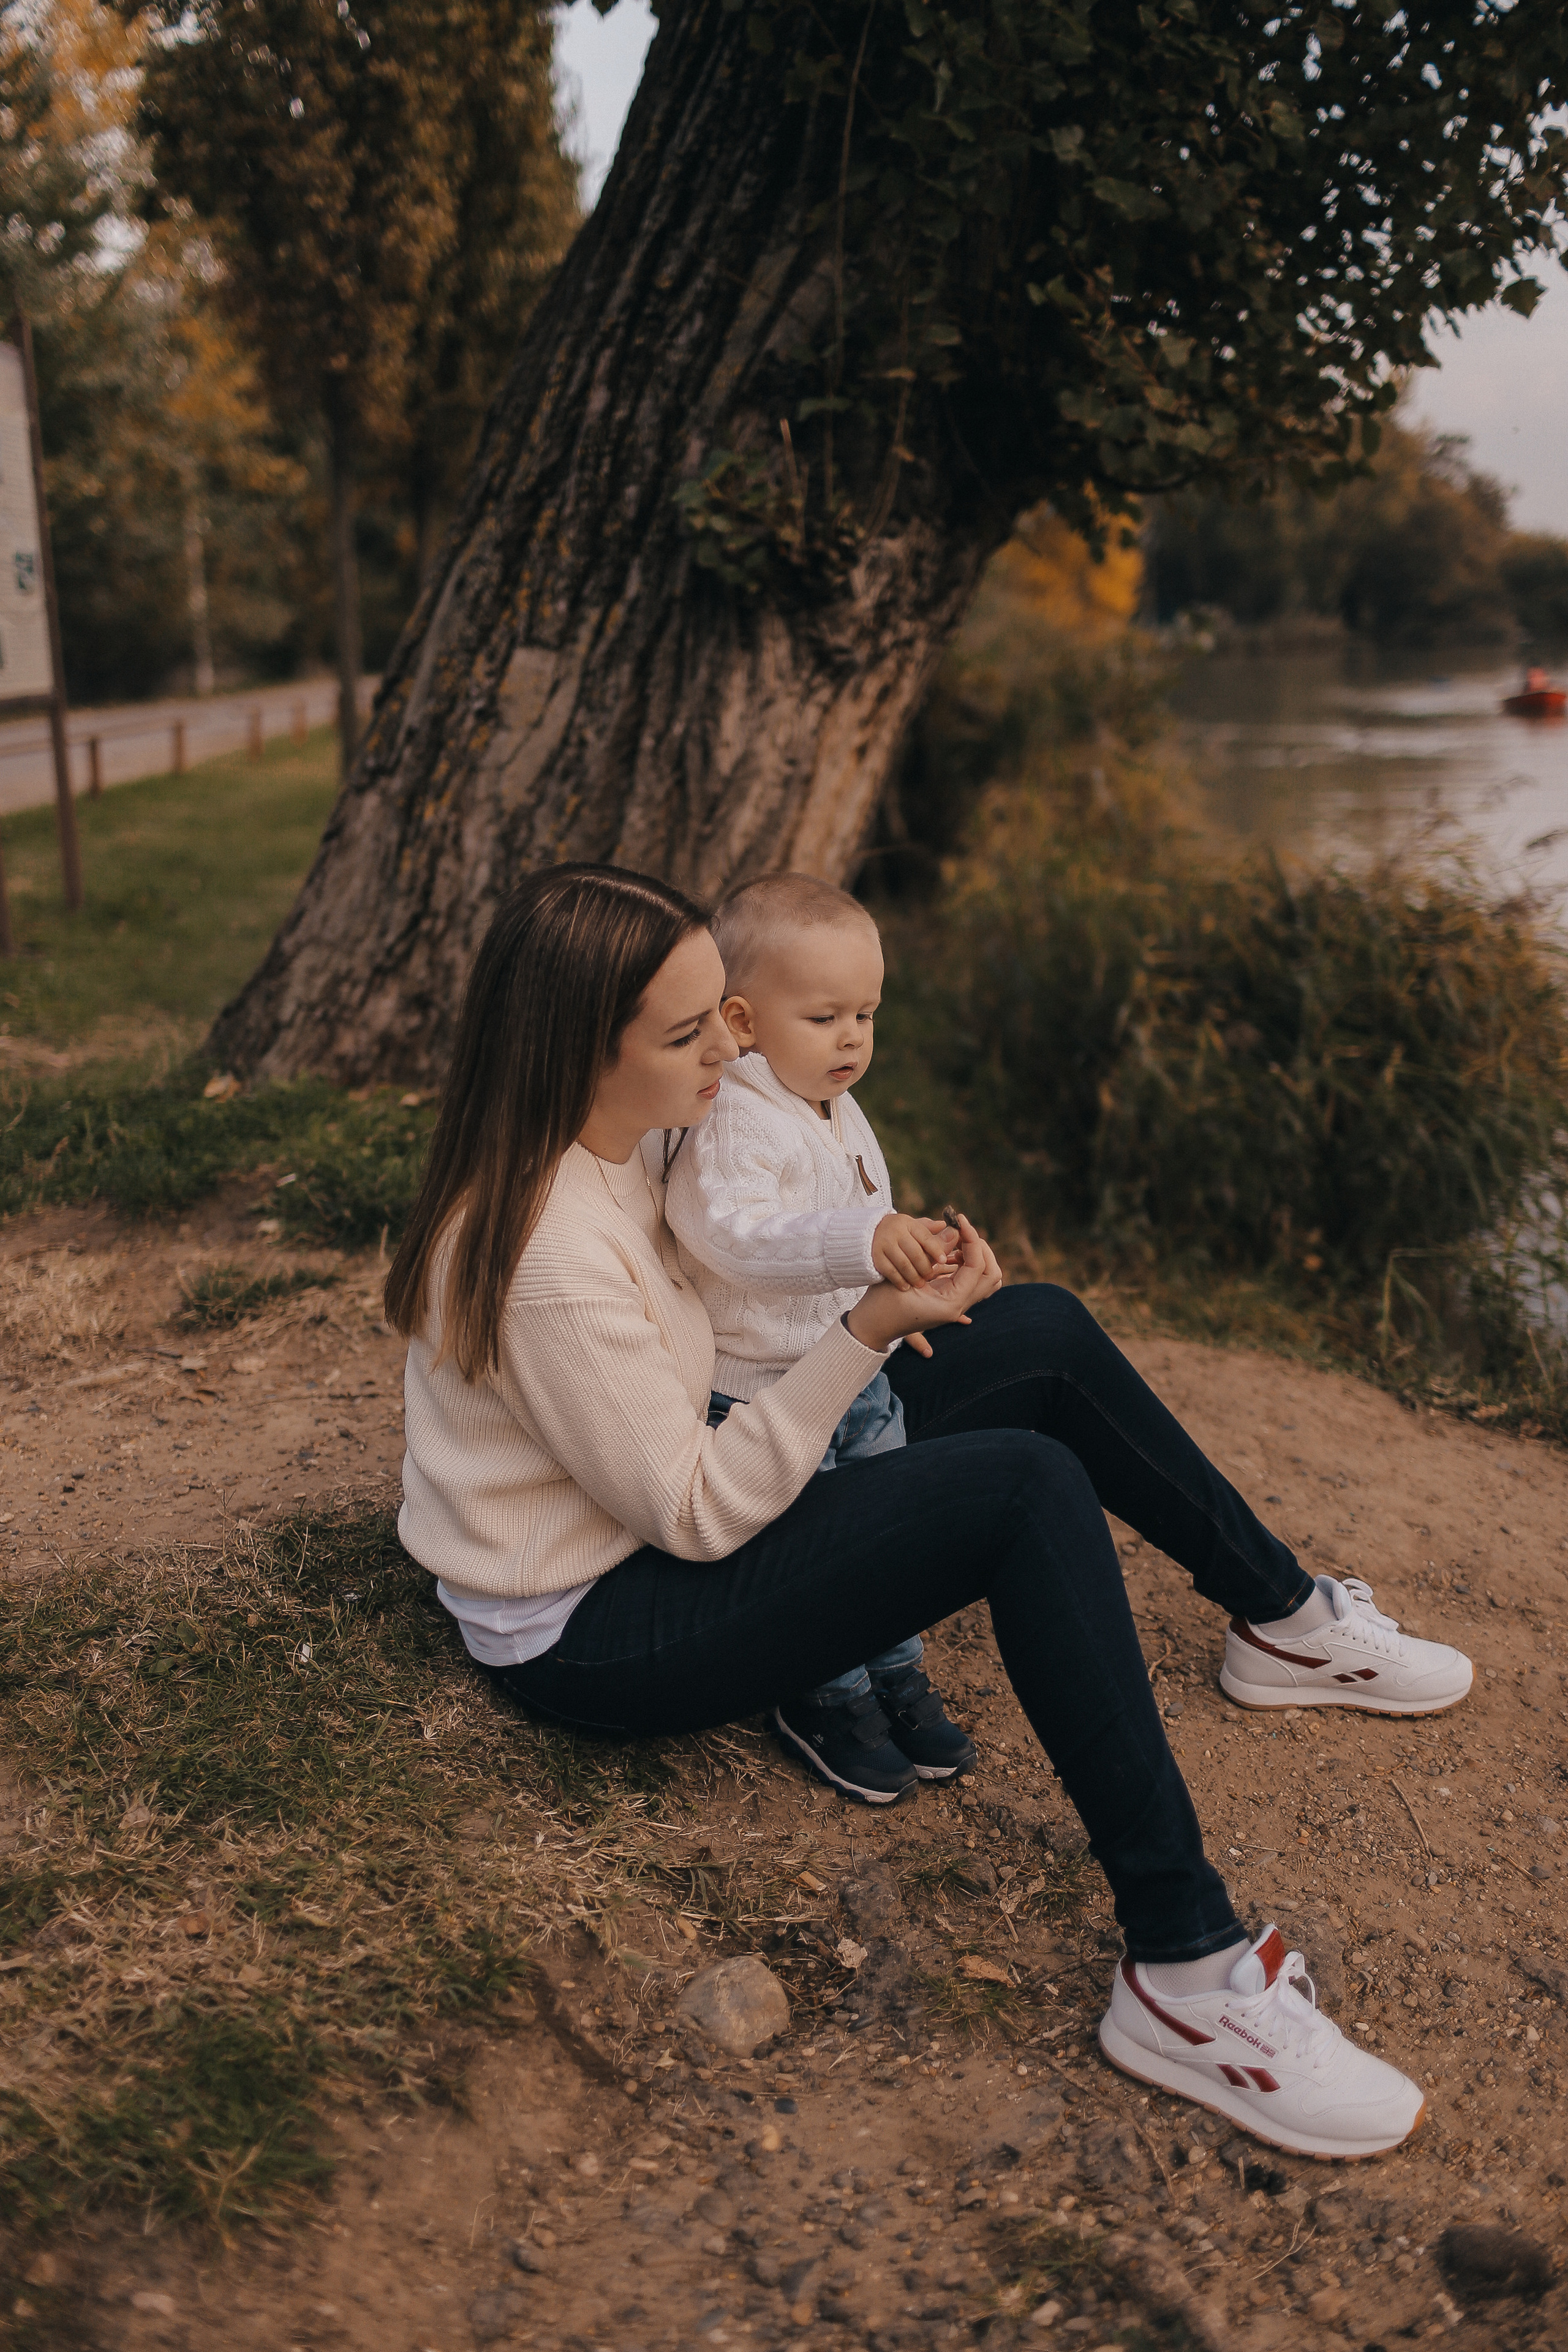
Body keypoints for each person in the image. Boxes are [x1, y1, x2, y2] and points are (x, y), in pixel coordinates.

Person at [387, 862, 1474, 2161]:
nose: (730, 1051)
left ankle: (1283, 1620)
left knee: (1036, 1329)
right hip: (604, 1620)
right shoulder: (550, 1254)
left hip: (691, 1484)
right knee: (1019, 1490)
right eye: (690, 1034)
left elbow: (762, 1223)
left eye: (727, 1016)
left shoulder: (633, 1130)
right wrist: (861, 1330)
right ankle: (1185, 1977)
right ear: (578, 1051)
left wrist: (902, 1263)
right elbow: (694, 1511)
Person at [665, 872, 973, 1803]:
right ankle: (826, 1692)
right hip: (761, 1389)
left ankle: (895, 1673)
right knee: (815, 1542)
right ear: (746, 1021)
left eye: (867, 1016)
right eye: (826, 1016)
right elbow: (738, 1236)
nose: (852, 1039)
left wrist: (901, 1277)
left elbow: (858, 1202)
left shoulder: (829, 1097)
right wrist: (859, 1244)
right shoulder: (735, 1119)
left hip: (849, 1363)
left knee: (879, 1528)